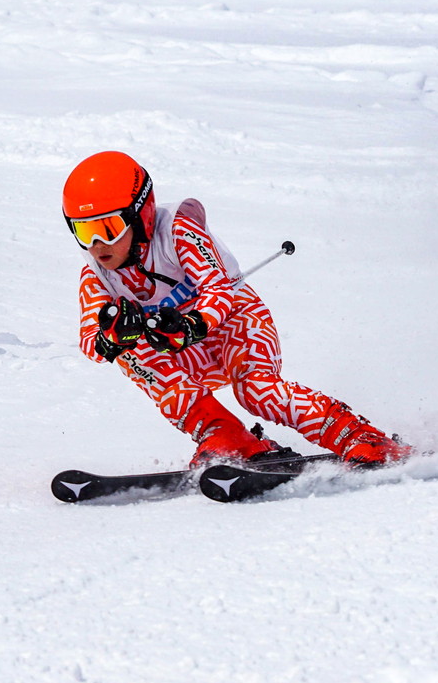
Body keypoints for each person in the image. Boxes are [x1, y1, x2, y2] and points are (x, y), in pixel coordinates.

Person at [63, 150, 411, 468]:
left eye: (107, 229)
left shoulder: (177, 231)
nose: (96, 246)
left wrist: (190, 325)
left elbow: (217, 290)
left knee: (257, 393)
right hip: (185, 354)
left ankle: (362, 437)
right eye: (83, 232)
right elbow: (89, 340)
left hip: (235, 324)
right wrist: (111, 338)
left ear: (142, 215)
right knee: (132, 353)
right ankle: (229, 437)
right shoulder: (96, 274)